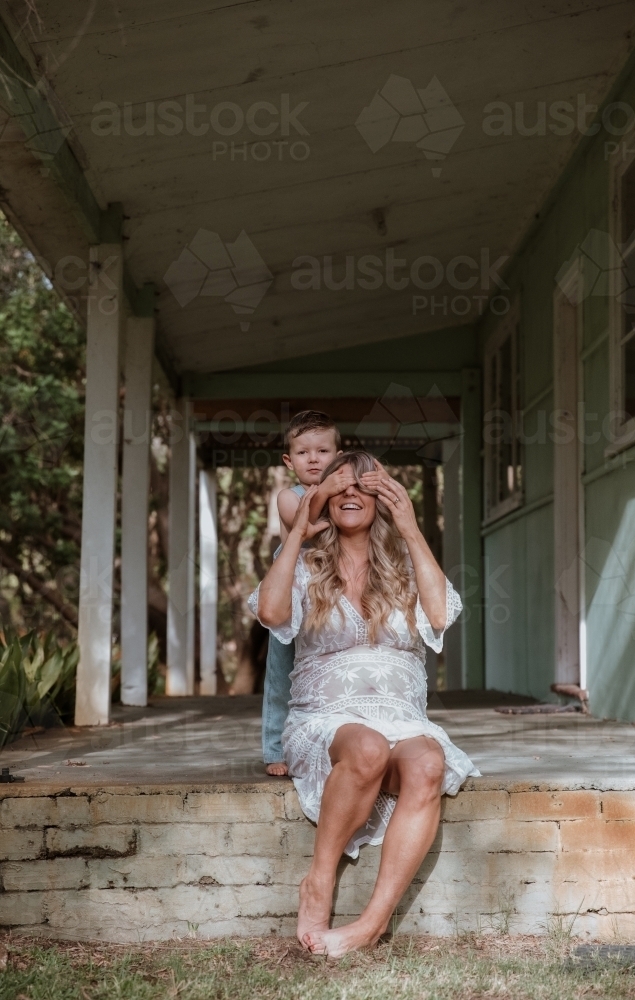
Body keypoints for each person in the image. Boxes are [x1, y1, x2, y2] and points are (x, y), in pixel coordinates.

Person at [249, 451, 479, 956]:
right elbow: (269, 611)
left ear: (382, 497)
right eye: (338, 487)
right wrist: (297, 532)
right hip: (326, 722)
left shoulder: (402, 563)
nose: (351, 494)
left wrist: (412, 528)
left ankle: (370, 925)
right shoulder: (307, 564)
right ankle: (320, 880)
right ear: (322, 499)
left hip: (403, 719)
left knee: (427, 762)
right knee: (368, 748)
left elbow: (439, 614)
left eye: (364, 486)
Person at [263, 409, 356, 775]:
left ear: (338, 455)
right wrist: (327, 490)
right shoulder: (289, 496)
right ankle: (275, 749)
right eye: (303, 452)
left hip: (330, 587)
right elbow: (307, 521)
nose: (313, 459)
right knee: (281, 668)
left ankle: (332, 734)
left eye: (322, 451)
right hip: (291, 589)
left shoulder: (344, 492)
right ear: (289, 460)